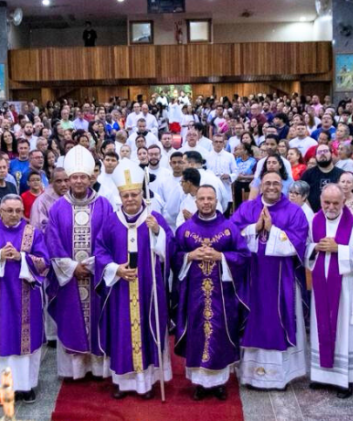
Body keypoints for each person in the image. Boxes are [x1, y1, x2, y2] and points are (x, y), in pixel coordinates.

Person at [94, 159, 173, 399]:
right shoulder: (111, 221)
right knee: (121, 332)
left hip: (148, 286)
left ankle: (146, 382)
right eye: (126, 195)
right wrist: (115, 269)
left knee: (148, 330)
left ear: (142, 194)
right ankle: (123, 382)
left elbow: (171, 247)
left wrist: (158, 231)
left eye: (134, 194)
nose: (130, 199)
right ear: (120, 197)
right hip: (120, 289)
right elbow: (100, 250)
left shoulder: (153, 218)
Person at [230, 170, 310, 390]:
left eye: (276, 183)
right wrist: (254, 228)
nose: (272, 187)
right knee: (252, 319)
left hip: (282, 277)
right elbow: (232, 234)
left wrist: (272, 230)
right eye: (267, 183)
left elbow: (299, 242)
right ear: (261, 186)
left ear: (282, 186)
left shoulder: (294, 211)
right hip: (252, 276)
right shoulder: (247, 208)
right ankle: (251, 376)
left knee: (280, 319)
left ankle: (280, 377)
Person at [172, 185, 248, 400]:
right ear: (195, 201)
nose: (206, 202)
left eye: (210, 198)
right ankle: (199, 383)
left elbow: (244, 256)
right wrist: (189, 256)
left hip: (222, 295)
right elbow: (174, 256)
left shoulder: (229, 228)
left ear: (217, 201)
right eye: (202, 198)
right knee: (197, 332)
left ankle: (219, 383)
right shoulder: (185, 229)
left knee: (220, 332)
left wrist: (221, 257)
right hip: (194, 294)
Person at [0, 194, 51, 402]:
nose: (14, 214)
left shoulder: (32, 232)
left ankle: (27, 386)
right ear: (0, 211)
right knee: (3, 341)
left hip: (28, 297)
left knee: (28, 340)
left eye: (18, 210)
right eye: (9, 210)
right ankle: (5, 388)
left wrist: (21, 257)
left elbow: (44, 262)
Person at [46, 146, 113, 380]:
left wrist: (93, 265)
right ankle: (73, 371)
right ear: (68, 179)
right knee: (71, 319)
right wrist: (73, 267)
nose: (78, 181)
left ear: (90, 178)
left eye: (83, 177)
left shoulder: (104, 204)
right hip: (69, 278)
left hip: (96, 277)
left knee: (98, 319)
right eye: (74, 177)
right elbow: (52, 240)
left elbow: (109, 239)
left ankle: (97, 368)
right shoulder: (58, 208)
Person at [305, 184, 353, 398]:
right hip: (321, 286)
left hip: (347, 288)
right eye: (327, 202)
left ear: (344, 202)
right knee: (321, 327)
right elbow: (304, 247)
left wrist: (339, 249)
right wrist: (315, 248)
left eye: (336, 203)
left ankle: (345, 379)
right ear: (321, 201)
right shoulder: (314, 221)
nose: (331, 207)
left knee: (344, 331)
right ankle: (322, 375)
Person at [300, 144, 344, 210]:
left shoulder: (341, 174)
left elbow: (349, 195)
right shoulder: (307, 174)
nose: (322, 154)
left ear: (331, 154)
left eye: (325, 151)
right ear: (315, 156)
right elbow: (300, 194)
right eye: (319, 152)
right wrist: (310, 212)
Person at [30, 167, 68, 232]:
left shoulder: (74, 198)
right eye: (59, 181)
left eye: (66, 180)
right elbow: (37, 228)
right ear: (51, 183)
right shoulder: (41, 202)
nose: (63, 184)